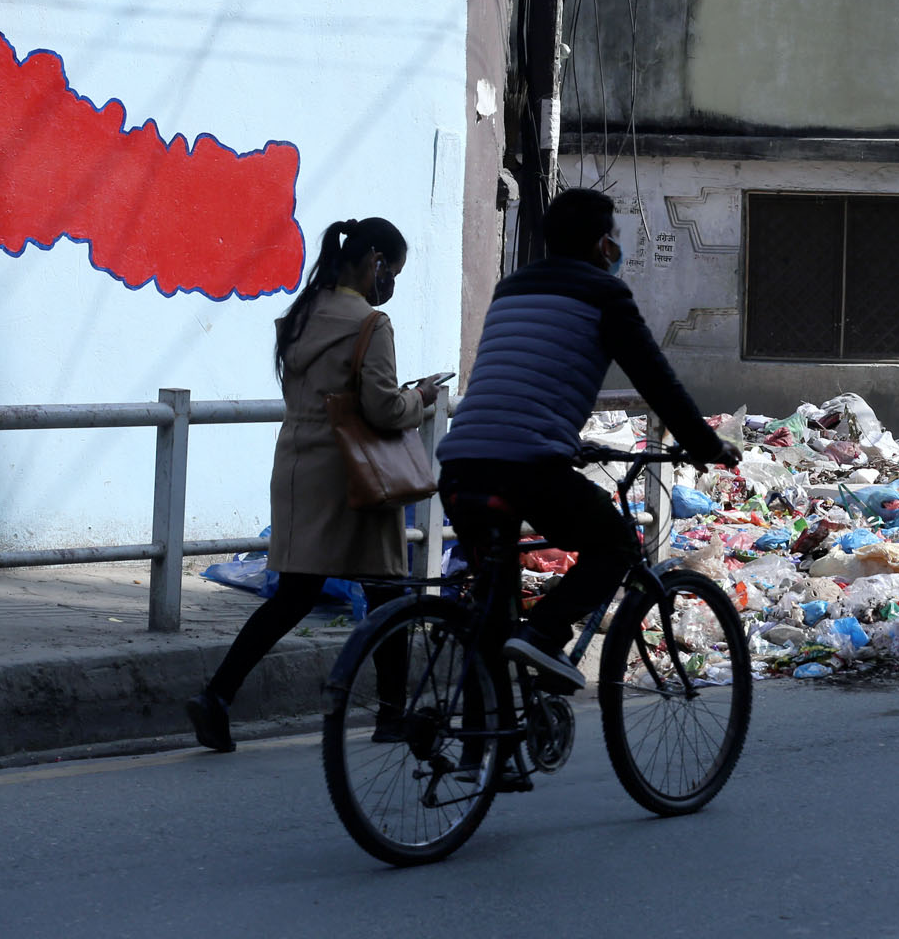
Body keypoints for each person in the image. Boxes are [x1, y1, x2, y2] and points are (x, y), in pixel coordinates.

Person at [437, 188, 739, 691]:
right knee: (618, 544)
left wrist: (566, 441)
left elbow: (523, 383)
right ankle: (548, 632)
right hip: (526, 468)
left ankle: (481, 756)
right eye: (616, 239)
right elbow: (656, 381)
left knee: (494, 611)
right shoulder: (605, 294)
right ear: (603, 245)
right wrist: (708, 445)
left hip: (461, 464)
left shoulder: (510, 289)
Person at [187, 217, 446, 752]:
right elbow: (380, 407)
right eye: (391, 271)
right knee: (387, 592)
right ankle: (392, 716)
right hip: (354, 474)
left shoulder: (301, 315)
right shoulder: (372, 324)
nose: (390, 283)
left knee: (293, 595)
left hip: (297, 467)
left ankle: (218, 696)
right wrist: (418, 397)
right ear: (375, 263)